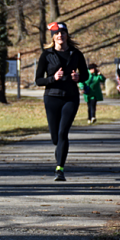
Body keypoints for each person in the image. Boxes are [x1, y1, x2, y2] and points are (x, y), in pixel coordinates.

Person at [35, 21, 89, 181]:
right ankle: (59, 151)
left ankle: (60, 169)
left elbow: (85, 75)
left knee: (63, 133)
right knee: (55, 138)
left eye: (63, 33)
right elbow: (38, 80)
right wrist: (53, 78)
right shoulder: (46, 54)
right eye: (57, 33)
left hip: (70, 97)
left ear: (67, 35)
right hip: (52, 97)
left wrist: (79, 77)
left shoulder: (76, 53)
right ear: (53, 36)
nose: (60, 35)